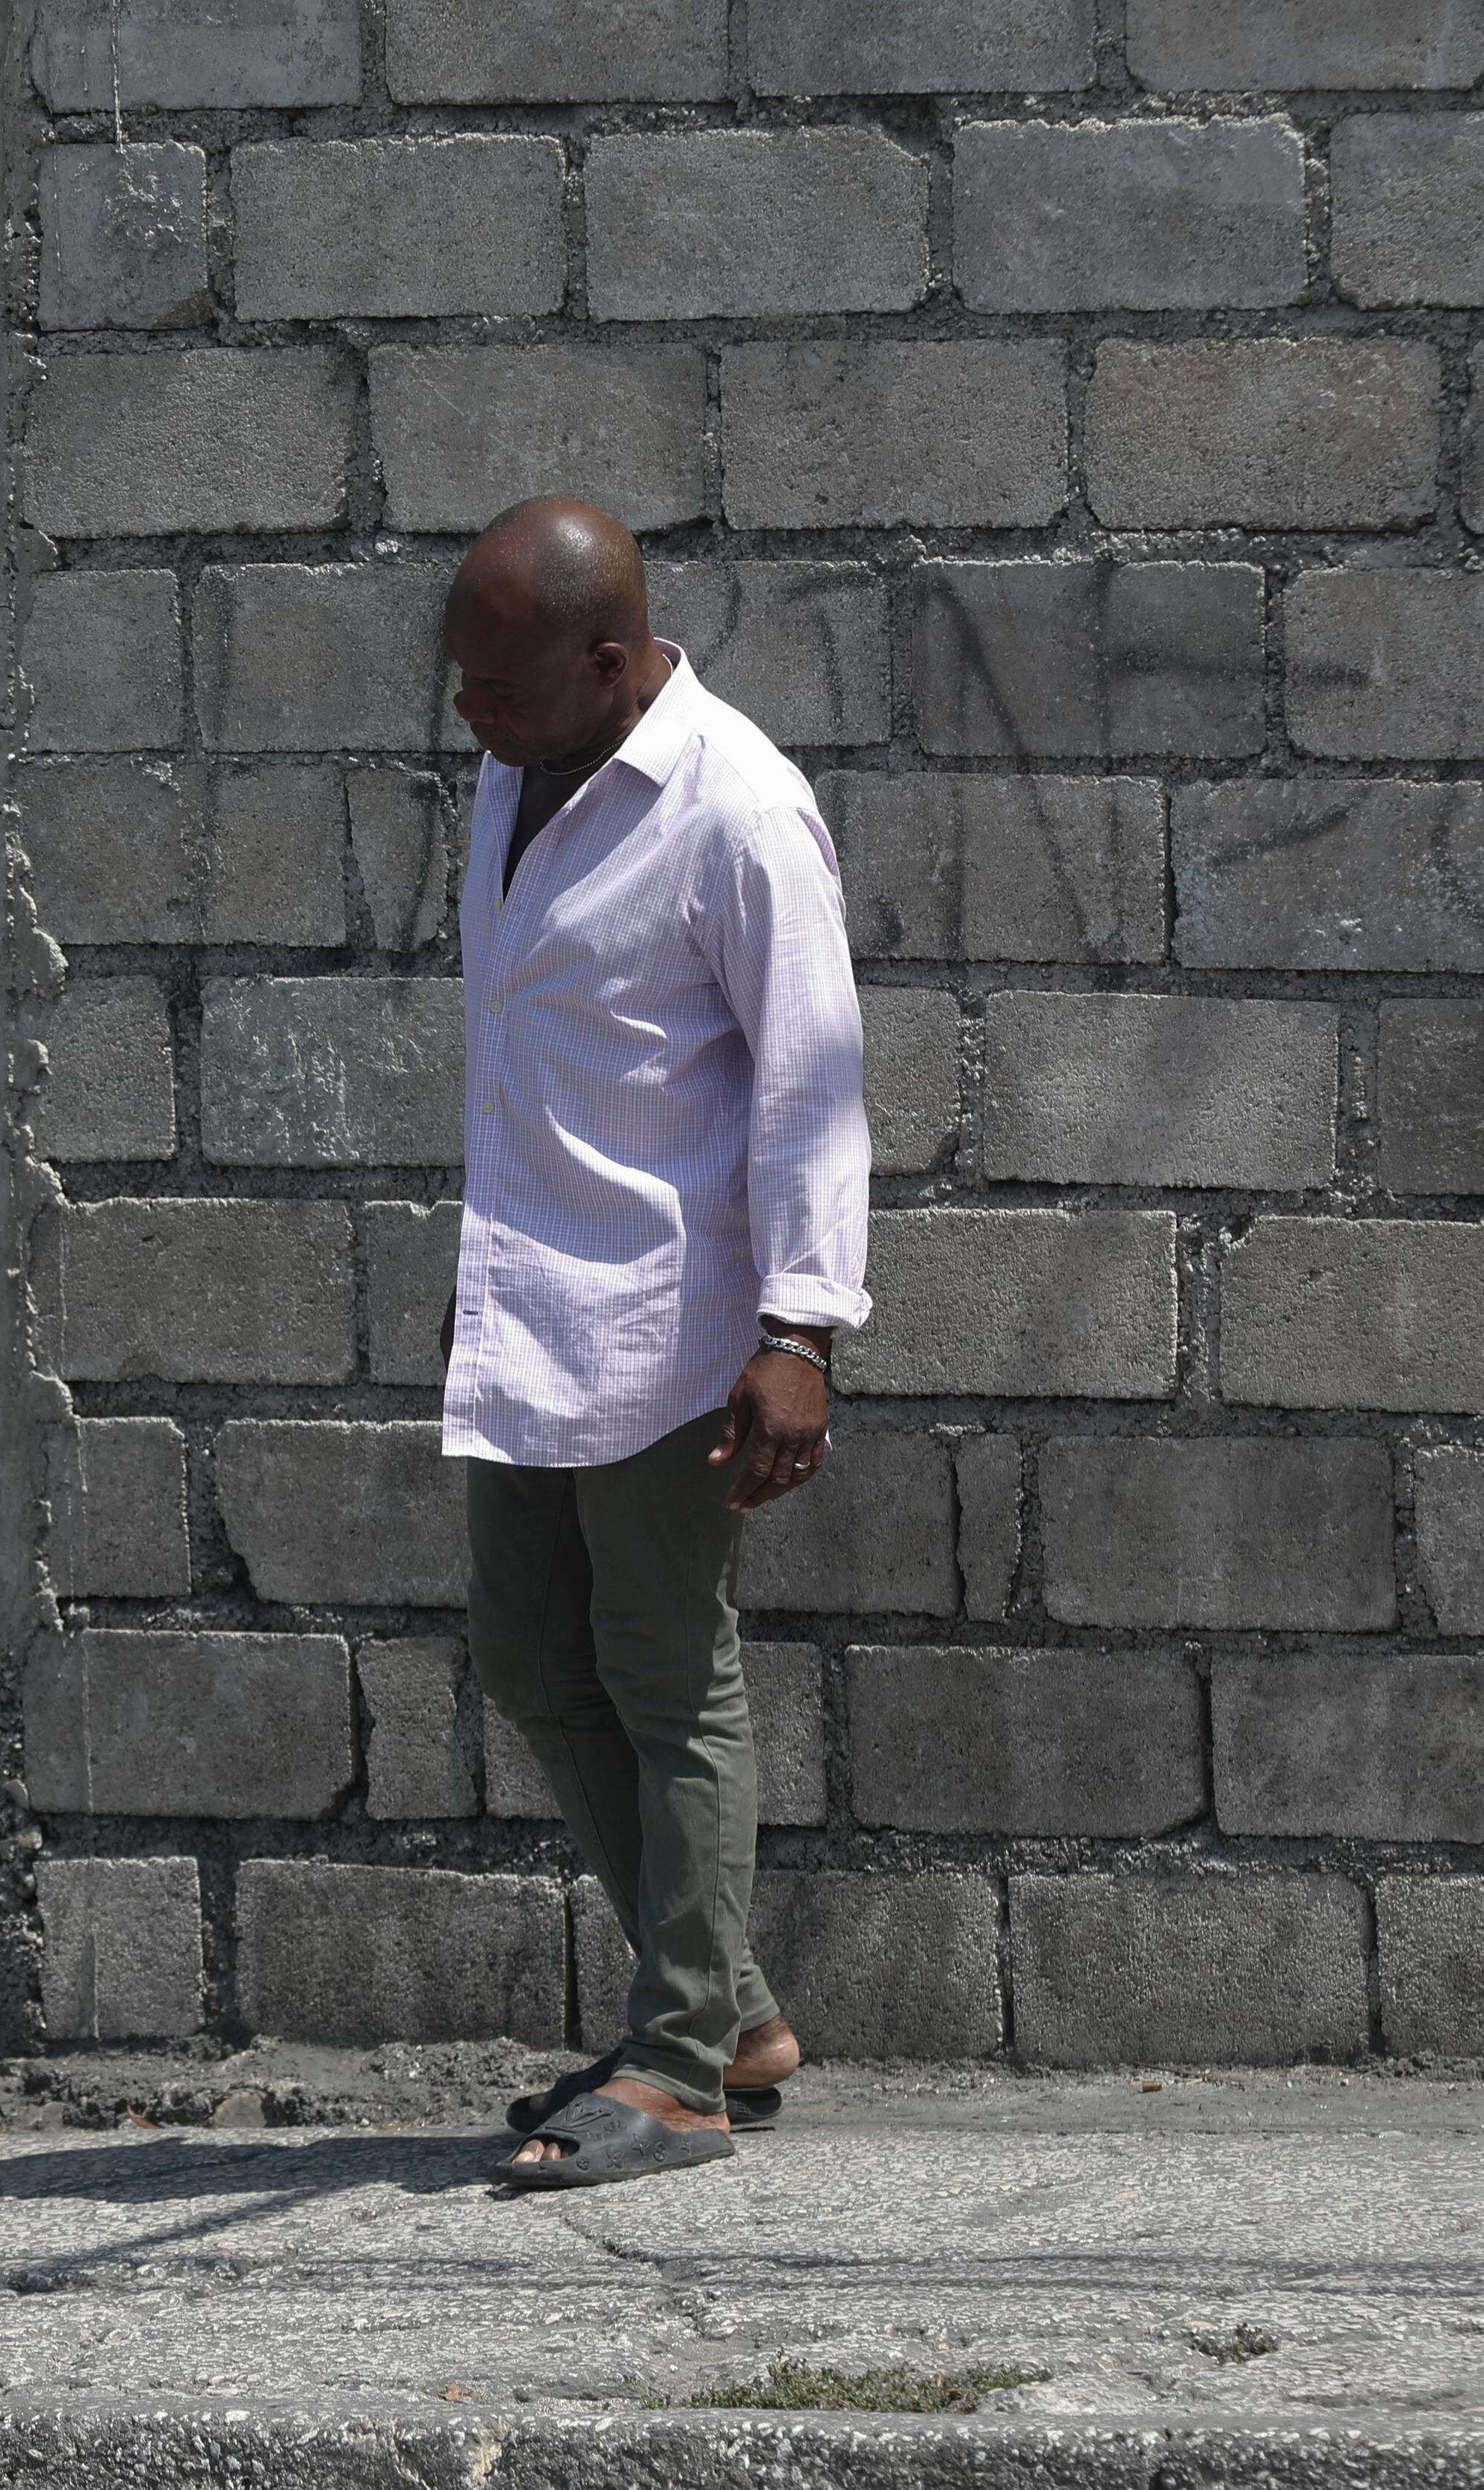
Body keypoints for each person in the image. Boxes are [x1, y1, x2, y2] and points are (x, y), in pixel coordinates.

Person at [438, 498, 869, 2192]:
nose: (465, 715)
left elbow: (811, 1079)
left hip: (678, 1320)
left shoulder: (738, 809)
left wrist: (800, 1329)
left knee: (674, 1679)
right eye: (460, 683)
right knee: (535, 1661)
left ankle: (683, 2061)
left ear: (611, 662)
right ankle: (734, 2015)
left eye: (498, 683)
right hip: (525, 1305)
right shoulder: (515, 770)